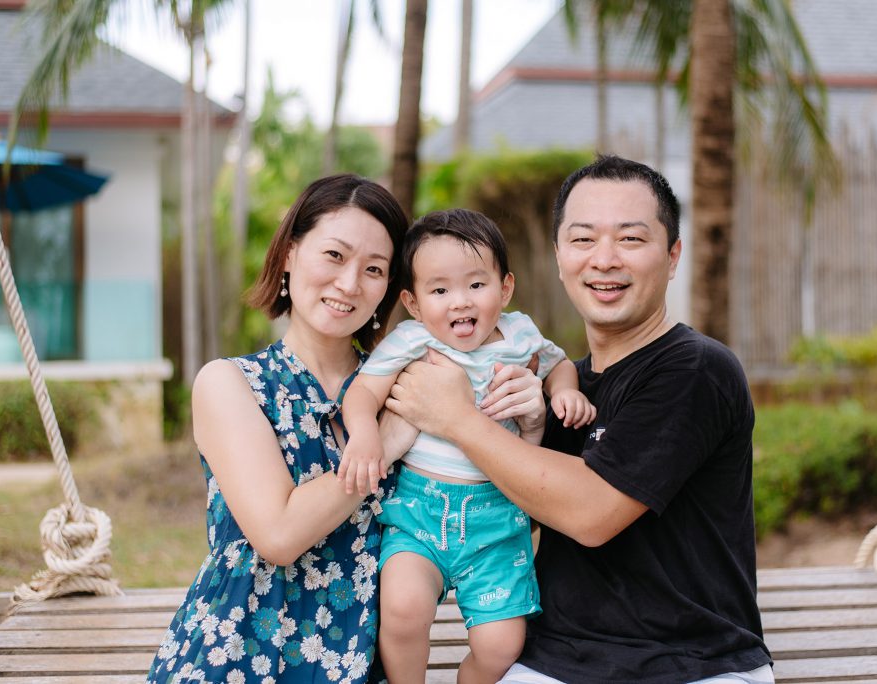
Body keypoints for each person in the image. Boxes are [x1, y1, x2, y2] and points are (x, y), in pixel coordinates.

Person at [384, 156, 774, 683]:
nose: (605, 260)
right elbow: (525, 509)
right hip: (550, 663)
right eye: (584, 239)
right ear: (560, 257)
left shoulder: (695, 369)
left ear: (673, 254)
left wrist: (456, 419)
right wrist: (525, 426)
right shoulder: (564, 387)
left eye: (631, 240)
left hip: (690, 665)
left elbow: (591, 513)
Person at [147, 174, 415, 683]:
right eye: (334, 255)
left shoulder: (402, 388)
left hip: (359, 662)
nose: (350, 283)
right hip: (238, 656)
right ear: (291, 253)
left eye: (374, 269)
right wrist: (389, 441)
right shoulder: (231, 384)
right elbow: (278, 534)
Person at [336, 208, 596, 683]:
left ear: (506, 288)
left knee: (502, 645)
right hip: (418, 514)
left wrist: (563, 391)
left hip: (497, 522)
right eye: (439, 290)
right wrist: (366, 436)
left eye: (476, 285)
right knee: (402, 609)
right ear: (413, 304)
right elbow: (362, 392)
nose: (460, 302)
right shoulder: (410, 340)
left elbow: (559, 364)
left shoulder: (520, 335)